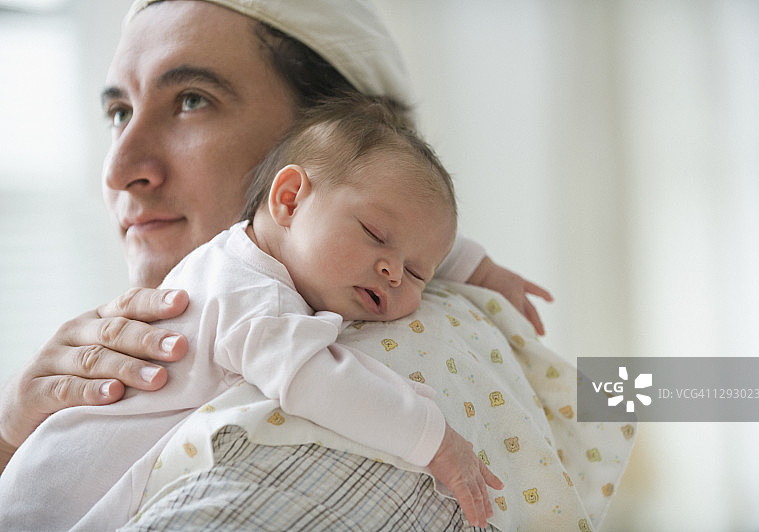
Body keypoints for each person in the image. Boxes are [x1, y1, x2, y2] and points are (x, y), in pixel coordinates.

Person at [0, 0, 562, 529]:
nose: (119, 168)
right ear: (290, 196)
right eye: (119, 112)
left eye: (193, 99)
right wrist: (8, 437)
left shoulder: (388, 355)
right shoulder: (253, 285)